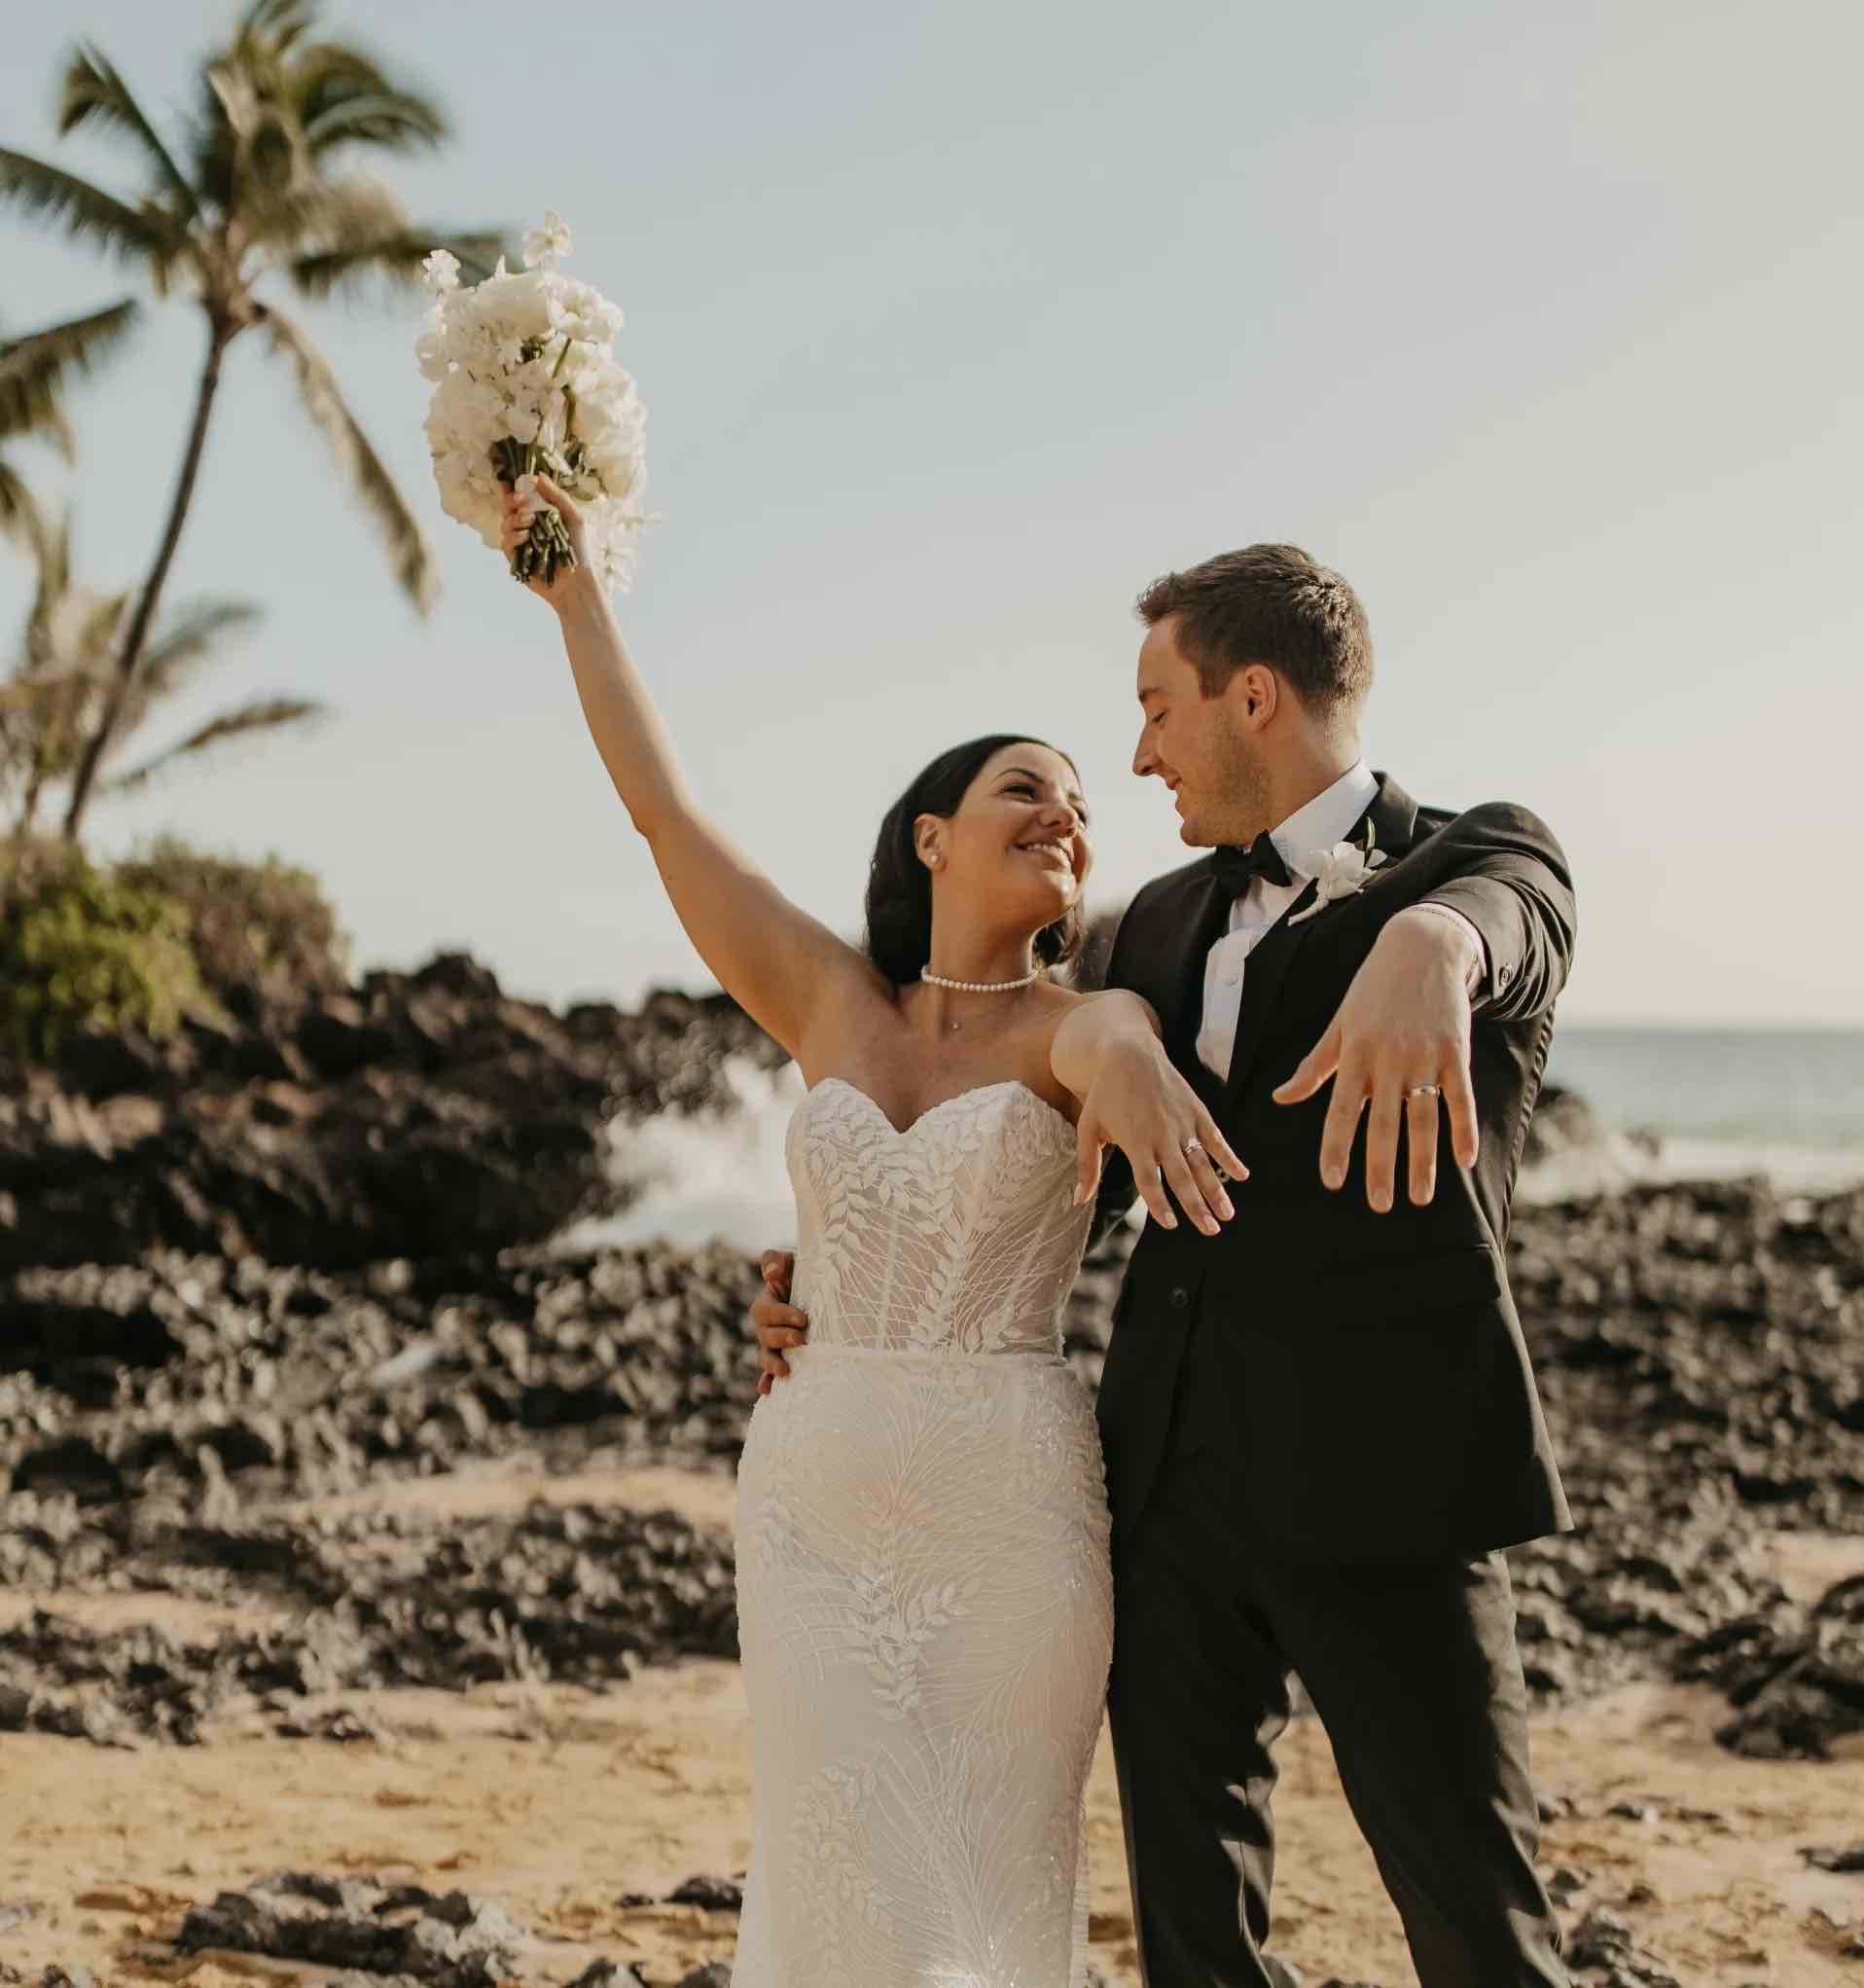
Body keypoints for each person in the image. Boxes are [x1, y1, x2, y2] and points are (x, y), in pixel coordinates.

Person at [755, 543, 1577, 1987]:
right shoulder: (1154, 927)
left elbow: (1526, 908)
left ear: (1252, 696)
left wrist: (1435, 944)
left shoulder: (1472, 859)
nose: (1136, 756)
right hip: (1164, 1503)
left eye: (1156, 708)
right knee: (1195, 1945)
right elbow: (1027, 1136)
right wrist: (826, 1269)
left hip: (1388, 1495)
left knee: (1478, 1928)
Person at [495, 475, 1253, 1988]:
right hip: (813, 1513)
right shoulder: (830, 1004)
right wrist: (573, 591)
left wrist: (1138, 1068)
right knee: (836, 1893)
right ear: (931, 839)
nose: (1066, 815)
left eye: (1084, 810)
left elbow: (1115, 1055)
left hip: (1013, 1518)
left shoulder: (1083, 1021)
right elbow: (661, 811)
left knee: (978, 1906)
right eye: (1025, 790)